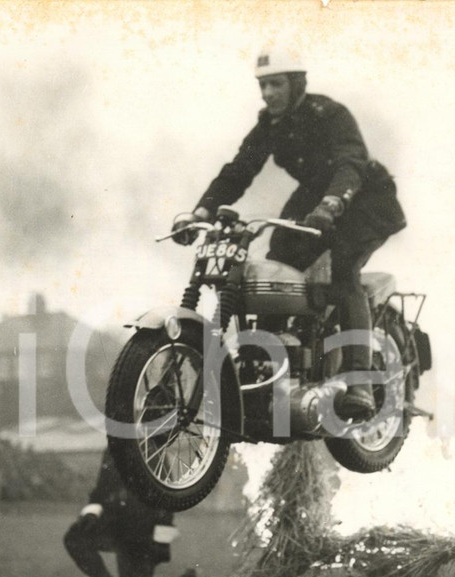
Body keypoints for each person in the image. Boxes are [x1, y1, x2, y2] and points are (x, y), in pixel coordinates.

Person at [172, 49, 407, 420]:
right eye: (263, 85)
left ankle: (359, 382)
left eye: (276, 84)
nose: (268, 93)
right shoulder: (270, 125)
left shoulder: (329, 114)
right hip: (315, 197)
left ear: (297, 83)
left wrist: (331, 204)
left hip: (365, 200)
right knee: (278, 257)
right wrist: (200, 212)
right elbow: (239, 170)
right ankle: (271, 366)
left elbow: (351, 163)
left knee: (344, 270)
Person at [63, 449, 196, 577]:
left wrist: (160, 542)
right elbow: (100, 491)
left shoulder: (154, 451)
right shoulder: (112, 451)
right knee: (75, 537)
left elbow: (168, 501)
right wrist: (91, 513)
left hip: (141, 535)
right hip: (114, 527)